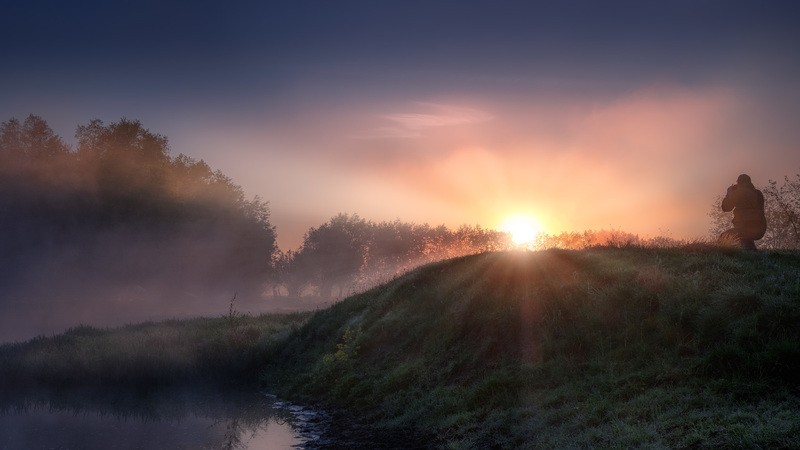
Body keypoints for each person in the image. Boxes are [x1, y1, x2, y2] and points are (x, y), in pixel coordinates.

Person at [719, 173, 767, 250]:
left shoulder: (738, 193)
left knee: (724, 236)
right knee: (746, 239)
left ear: (738, 183)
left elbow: (726, 208)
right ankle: (753, 255)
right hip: (760, 229)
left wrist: (729, 193)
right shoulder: (758, 193)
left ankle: (724, 257)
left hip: (745, 228)